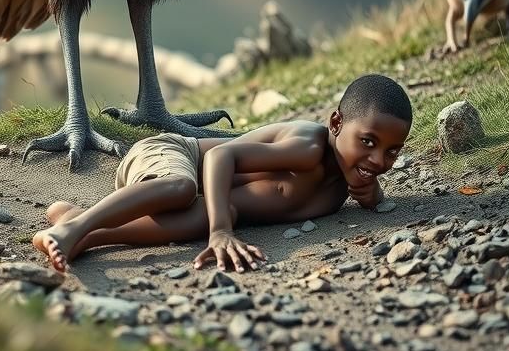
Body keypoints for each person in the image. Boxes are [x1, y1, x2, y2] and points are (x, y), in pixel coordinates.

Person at [32, 73, 413, 272]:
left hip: (200, 194)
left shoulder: (341, 185)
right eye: (367, 142)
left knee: (219, 209)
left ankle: (75, 227)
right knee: (185, 190)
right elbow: (218, 160)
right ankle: (73, 230)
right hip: (169, 154)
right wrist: (221, 234)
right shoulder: (309, 146)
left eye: (392, 151)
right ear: (335, 123)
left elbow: (370, 186)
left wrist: (372, 194)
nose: (379, 160)